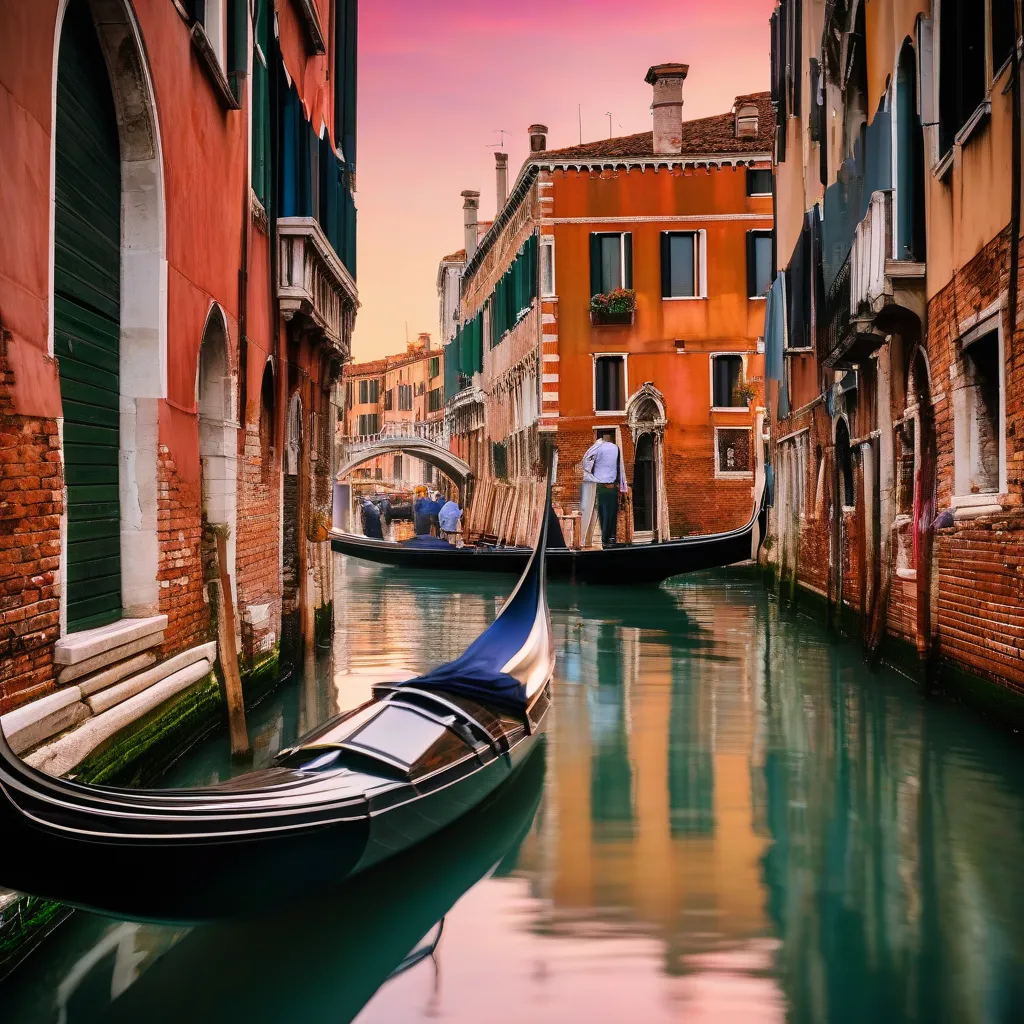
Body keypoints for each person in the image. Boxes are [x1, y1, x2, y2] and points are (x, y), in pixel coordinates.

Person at [582, 430, 627, 547]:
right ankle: (605, 540)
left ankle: (609, 539)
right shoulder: (598, 447)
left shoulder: (612, 448)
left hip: (610, 486)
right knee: (605, 514)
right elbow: (585, 464)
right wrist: (594, 479)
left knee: (610, 514)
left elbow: (586, 464)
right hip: (603, 486)